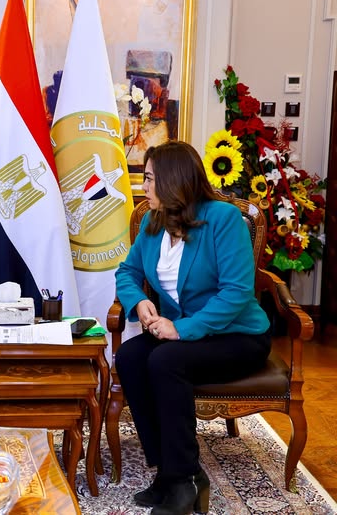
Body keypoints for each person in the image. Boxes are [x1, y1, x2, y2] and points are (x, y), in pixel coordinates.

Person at [114, 141, 271, 515]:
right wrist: (139, 301)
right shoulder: (153, 223)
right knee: (130, 356)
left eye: (149, 178)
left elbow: (236, 292)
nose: (144, 187)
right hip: (181, 333)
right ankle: (170, 473)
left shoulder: (223, 219)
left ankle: (182, 480)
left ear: (173, 179)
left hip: (238, 335)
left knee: (165, 361)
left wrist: (181, 329)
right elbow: (127, 272)